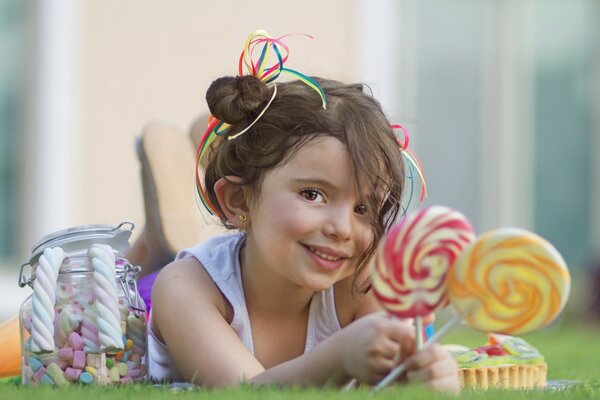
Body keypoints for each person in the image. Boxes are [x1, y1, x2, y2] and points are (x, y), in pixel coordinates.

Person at [149, 32, 460, 392]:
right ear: (237, 201)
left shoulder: (360, 285)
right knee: (155, 266)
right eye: (313, 194)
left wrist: (431, 377)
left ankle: (211, 152)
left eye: (363, 207)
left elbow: (396, 382)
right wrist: (340, 355)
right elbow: (244, 392)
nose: (343, 228)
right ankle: (154, 240)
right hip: (148, 293)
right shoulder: (183, 288)